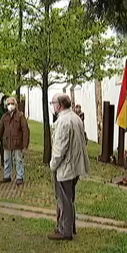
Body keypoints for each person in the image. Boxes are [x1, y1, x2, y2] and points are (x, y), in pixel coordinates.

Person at [47, 93, 90, 241]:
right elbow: (84, 139)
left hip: (66, 167)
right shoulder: (76, 118)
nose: (52, 106)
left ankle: (65, 231)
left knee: (63, 199)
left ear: (59, 105)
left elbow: (60, 148)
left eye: (53, 103)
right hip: (76, 166)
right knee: (69, 198)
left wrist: (53, 165)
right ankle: (69, 226)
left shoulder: (63, 121)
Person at [0, 97, 30, 186]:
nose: (10, 105)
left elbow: (25, 130)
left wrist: (25, 144)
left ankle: (19, 177)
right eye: (8, 104)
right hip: (7, 142)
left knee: (18, 160)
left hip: (17, 143)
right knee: (6, 160)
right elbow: (0, 129)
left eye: (12, 103)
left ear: (15, 105)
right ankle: (7, 176)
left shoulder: (20, 116)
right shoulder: (4, 116)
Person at [0, 95, 8, 166]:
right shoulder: (0, 109)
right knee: (2, 145)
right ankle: (3, 160)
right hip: (2, 130)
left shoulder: (10, 108)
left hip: (9, 130)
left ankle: (8, 160)